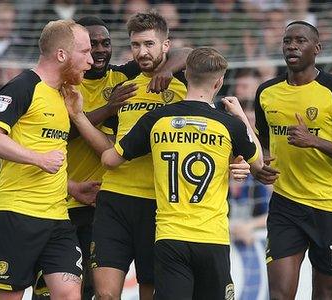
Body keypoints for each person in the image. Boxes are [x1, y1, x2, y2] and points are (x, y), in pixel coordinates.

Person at [31, 15, 191, 300]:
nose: (100, 50)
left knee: (98, 290)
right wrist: (107, 108)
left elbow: (188, 53)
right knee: (53, 292)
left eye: (106, 43)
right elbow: (61, 132)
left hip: (107, 199)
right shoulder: (59, 84)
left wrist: (165, 70)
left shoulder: (124, 77)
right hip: (58, 201)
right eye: (91, 45)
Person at [100, 47, 268, 299]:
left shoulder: (156, 119)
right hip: (212, 237)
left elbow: (110, 160)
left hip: (170, 236)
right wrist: (242, 115)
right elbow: (259, 164)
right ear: (220, 81)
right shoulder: (229, 125)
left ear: (186, 74)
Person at [0, 20, 94, 300]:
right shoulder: (22, 86)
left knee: (69, 294)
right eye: (85, 52)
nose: (91, 60)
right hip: (16, 215)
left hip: (57, 217)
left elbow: (47, 148)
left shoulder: (63, 95)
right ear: (62, 55)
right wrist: (38, 159)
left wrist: (72, 187)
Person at [254, 21, 332, 299]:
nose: (292, 45)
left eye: (300, 41)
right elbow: (264, 143)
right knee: (280, 294)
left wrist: (314, 140)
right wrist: (259, 166)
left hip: (329, 205)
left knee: (325, 293)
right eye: (287, 40)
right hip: (286, 204)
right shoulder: (266, 93)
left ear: (317, 49)